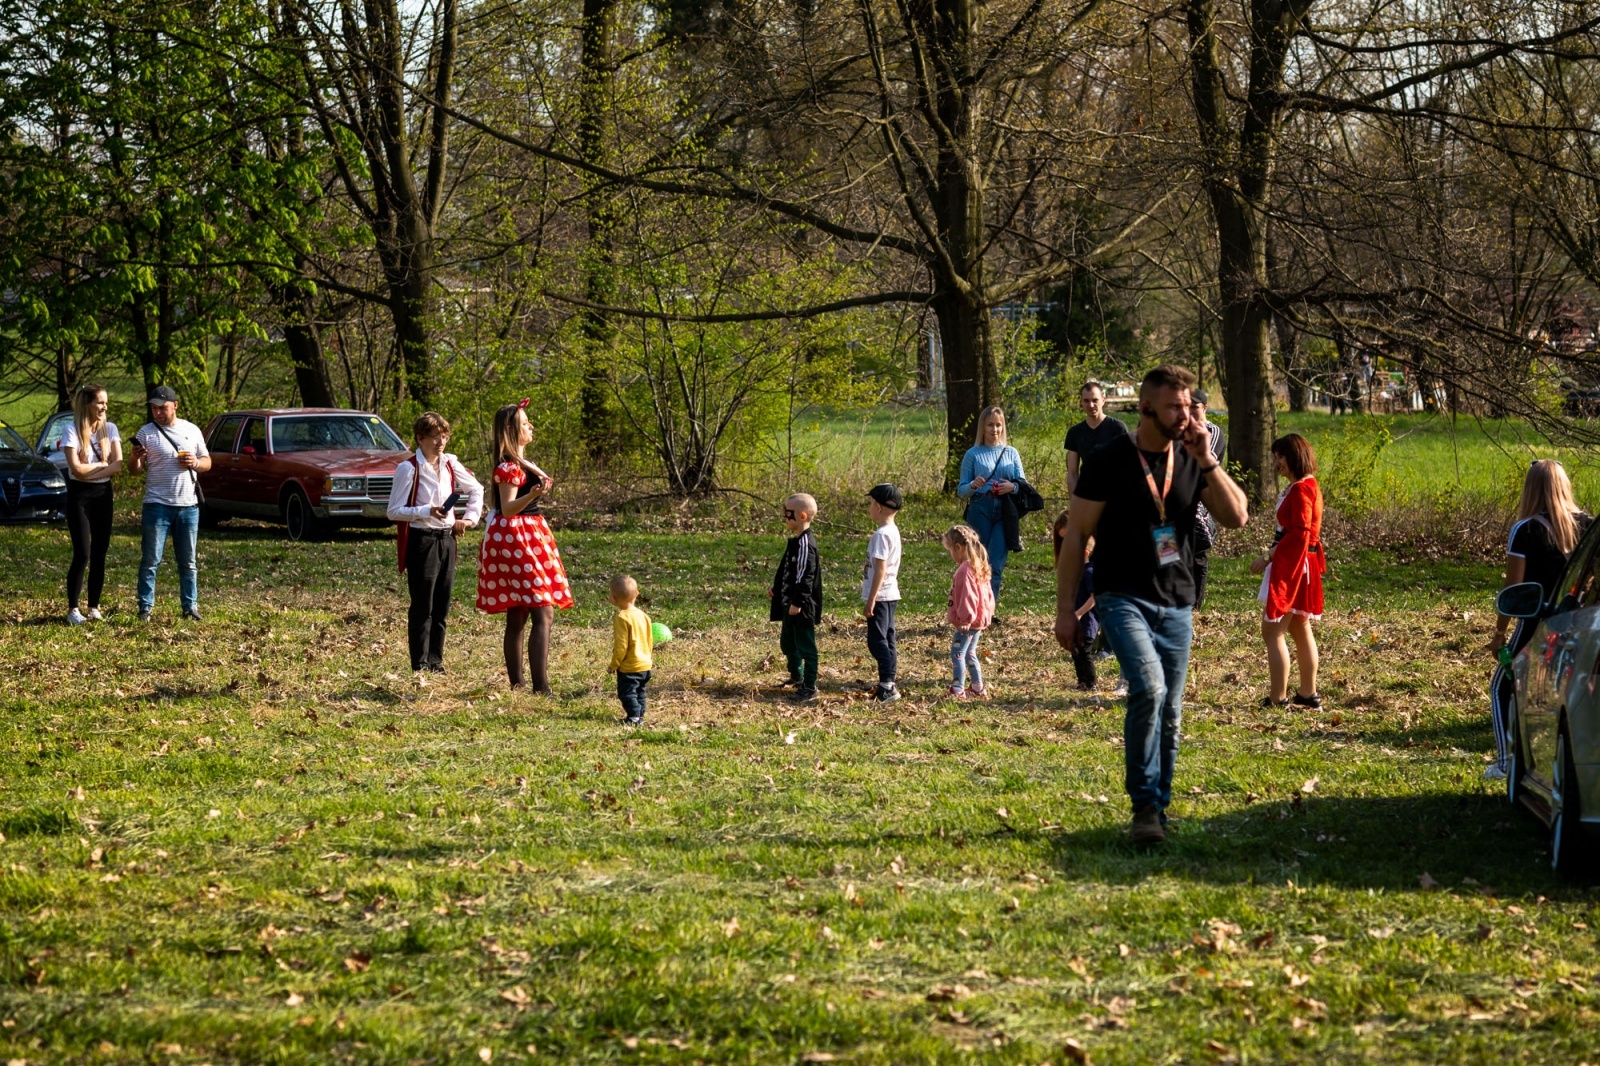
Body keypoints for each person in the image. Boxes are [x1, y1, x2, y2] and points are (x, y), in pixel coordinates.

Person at [1054, 364, 1249, 844]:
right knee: (1149, 687)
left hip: (1178, 601)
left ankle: (1158, 808)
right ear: (1146, 410)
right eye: (1174, 408)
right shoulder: (1108, 459)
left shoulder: (1192, 456)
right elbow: (1077, 533)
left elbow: (1238, 516)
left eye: (1188, 407)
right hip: (1121, 596)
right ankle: (1144, 806)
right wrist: (1064, 610)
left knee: (1172, 711)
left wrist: (1208, 461)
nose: (1186, 416)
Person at [1488, 460, 1589, 779]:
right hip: (1581, 621)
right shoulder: (1587, 525)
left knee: (1501, 688)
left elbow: (1514, 589)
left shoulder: (1525, 530)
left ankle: (1506, 763)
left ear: (1531, 489)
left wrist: (1499, 633)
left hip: (1537, 621)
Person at [477, 401, 573, 693]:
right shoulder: (509, 466)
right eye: (525, 423)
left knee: (520, 611)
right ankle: (539, 688)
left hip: (529, 535)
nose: (531, 426)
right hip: (515, 537)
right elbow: (507, 509)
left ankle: (520, 685)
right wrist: (532, 493)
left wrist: (535, 491)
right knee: (541, 610)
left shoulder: (521, 460)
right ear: (511, 430)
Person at [388, 412, 484, 675]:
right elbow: (393, 511)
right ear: (420, 438)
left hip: (447, 539)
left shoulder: (451, 463)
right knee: (423, 605)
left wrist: (469, 519)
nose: (441, 441)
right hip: (423, 540)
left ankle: (436, 662)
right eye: (434, 437)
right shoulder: (408, 468)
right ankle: (419, 664)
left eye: (444, 436)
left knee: (442, 604)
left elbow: (477, 489)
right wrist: (426, 510)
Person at [1249, 434, 1326, 709]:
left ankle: (1278, 697)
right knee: (1299, 627)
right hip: (1303, 563)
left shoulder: (1301, 489)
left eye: (1280, 457)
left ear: (1294, 456)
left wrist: (1270, 555)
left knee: (1272, 631)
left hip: (1295, 565)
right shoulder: (1305, 486)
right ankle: (1307, 694)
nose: (1277, 463)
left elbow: (1301, 532)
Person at [127, 385, 211, 623]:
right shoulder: (146, 433)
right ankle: (145, 608)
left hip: (188, 506)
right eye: (154, 409)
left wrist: (195, 462)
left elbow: (207, 462)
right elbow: (134, 472)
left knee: (188, 562)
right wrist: (135, 457)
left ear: (175, 406)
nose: (158, 413)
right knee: (151, 560)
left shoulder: (192, 430)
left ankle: (190, 607)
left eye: (162, 408)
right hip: (157, 505)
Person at [60, 384, 122, 624]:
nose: (104, 407)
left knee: (100, 552)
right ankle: (73, 609)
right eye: (99, 402)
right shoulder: (71, 430)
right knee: (82, 553)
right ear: (87, 404)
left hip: (103, 495)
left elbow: (117, 464)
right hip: (80, 497)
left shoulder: (111, 429)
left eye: (106, 402)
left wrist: (91, 469)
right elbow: (76, 470)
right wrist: (101, 466)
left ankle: (94, 606)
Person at [957, 406, 1025, 600]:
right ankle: (972, 606)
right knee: (977, 561)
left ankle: (988, 609)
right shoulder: (973, 454)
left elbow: (1023, 485)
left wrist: (1012, 487)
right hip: (981, 509)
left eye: (998, 425)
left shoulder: (1011, 453)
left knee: (995, 563)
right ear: (983, 427)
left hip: (1005, 511)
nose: (994, 429)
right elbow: (961, 491)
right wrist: (973, 485)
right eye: (990, 425)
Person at [770, 492, 822, 702]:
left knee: (805, 645)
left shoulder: (805, 544)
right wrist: (777, 588)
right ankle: (797, 677)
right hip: (788, 603)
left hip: (800, 607)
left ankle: (809, 686)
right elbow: (787, 570)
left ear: (801, 516)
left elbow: (805, 576)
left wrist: (798, 602)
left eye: (788, 514)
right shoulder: (796, 542)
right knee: (788, 643)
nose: (785, 518)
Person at [943, 524, 996, 699]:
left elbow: (969, 597)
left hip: (967, 623)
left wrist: (965, 619)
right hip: (977, 621)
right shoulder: (978, 566)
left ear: (958, 548)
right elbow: (988, 596)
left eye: (950, 550)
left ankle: (957, 689)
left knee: (957, 654)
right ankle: (977, 687)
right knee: (970, 653)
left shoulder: (964, 570)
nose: (950, 555)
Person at [862, 483, 904, 703]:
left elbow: (880, 569)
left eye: (870, 503)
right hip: (891, 594)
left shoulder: (881, 535)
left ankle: (887, 686)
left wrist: (871, 600)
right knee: (888, 639)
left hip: (881, 596)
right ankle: (888, 682)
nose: (869, 507)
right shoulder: (893, 531)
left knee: (877, 641)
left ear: (878, 507)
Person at [1188, 389, 1228, 609]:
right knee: (1167, 550)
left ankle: (1194, 606)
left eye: (1194, 407)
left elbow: (1204, 464)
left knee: (1197, 553)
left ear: (1204, 408)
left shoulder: (1212, 432)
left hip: (1199, 504)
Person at [1065, 381, 1130, 495]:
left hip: (1115, 496)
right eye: (1086, 401)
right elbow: (1072, 473)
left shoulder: (1118, 428)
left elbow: (1128, 467)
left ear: (1103, 400)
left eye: (1095, 400)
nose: (1091, 405)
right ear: (1081, 402)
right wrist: (1075, 503)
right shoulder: (1075, 432)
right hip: (1087, 496)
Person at [609, 574, 653, 725]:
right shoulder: (644, 616)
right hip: (645, 664)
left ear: (614, 599)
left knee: (627, 693)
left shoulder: (622, 618)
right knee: (640, 691)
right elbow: (649, 639)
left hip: (630, 667)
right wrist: (648, 657)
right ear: (637, 594)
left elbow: (621, 647)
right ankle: (640, 714)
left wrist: (614, 665)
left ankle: (634, 717)